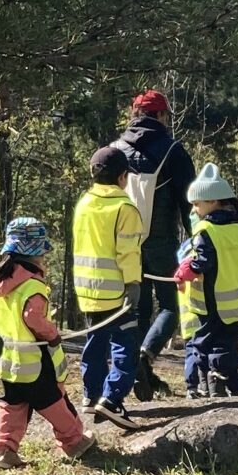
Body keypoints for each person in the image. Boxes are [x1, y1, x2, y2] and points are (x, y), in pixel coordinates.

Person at [0, 218, 95, 467]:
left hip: (6, 359)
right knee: (53, 402)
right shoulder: (32, 285)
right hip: (33, 360)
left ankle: (3, 450)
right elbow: (32, 317)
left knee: (13, 403)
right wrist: (51, 333)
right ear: (35, 253)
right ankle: (74, 441)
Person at [116, 92, 196, 399]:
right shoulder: (173, 150)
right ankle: (145, 357)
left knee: (138, 307)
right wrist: (196, 240)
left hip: (125, 244)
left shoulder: (115, 150)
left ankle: (141, 373)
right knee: (170, 306)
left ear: (134, 114)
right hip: (161, 242)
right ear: (162, 116)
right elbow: (189, 202)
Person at [176, 166, 238, 398]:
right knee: (229, 343)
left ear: (213, 201)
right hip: (235, 298)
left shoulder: (205, 229)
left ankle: (204, 386)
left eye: (197, 203)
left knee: (203, 341)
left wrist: (189, 268)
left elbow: (204, 261)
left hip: (211, 297)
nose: (194, 209)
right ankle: (235, 385)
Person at [71, 143, 146, 429]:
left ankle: (91, 396)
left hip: (88, 290)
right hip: (116, 291)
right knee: (125, 345)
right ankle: (112, 399)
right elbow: (128, 251)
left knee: (95, 343)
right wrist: (133, 283)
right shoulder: (124, 207)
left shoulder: (84, 203)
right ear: (122, 177)